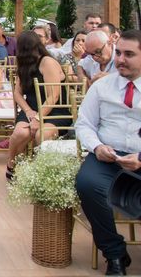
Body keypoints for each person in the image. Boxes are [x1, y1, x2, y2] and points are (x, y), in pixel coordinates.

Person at [75, 30, 141, 276]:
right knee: (87, 184)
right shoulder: (102, 87)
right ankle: (114, 254)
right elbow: (84, 124)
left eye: (130, 54)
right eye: (120, 53)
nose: (121, 59)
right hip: (107, 156)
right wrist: (97, 147)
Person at [6, 31, 69, 180]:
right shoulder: (23, 65)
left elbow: (54, 95)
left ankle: (42, 173)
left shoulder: (47, 62)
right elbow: (17, 93)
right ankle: (12, 164)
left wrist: (39, 118)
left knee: (42, 134)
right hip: (32, 109)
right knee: (20, 133)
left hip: (55, 111)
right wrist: (28, 111)